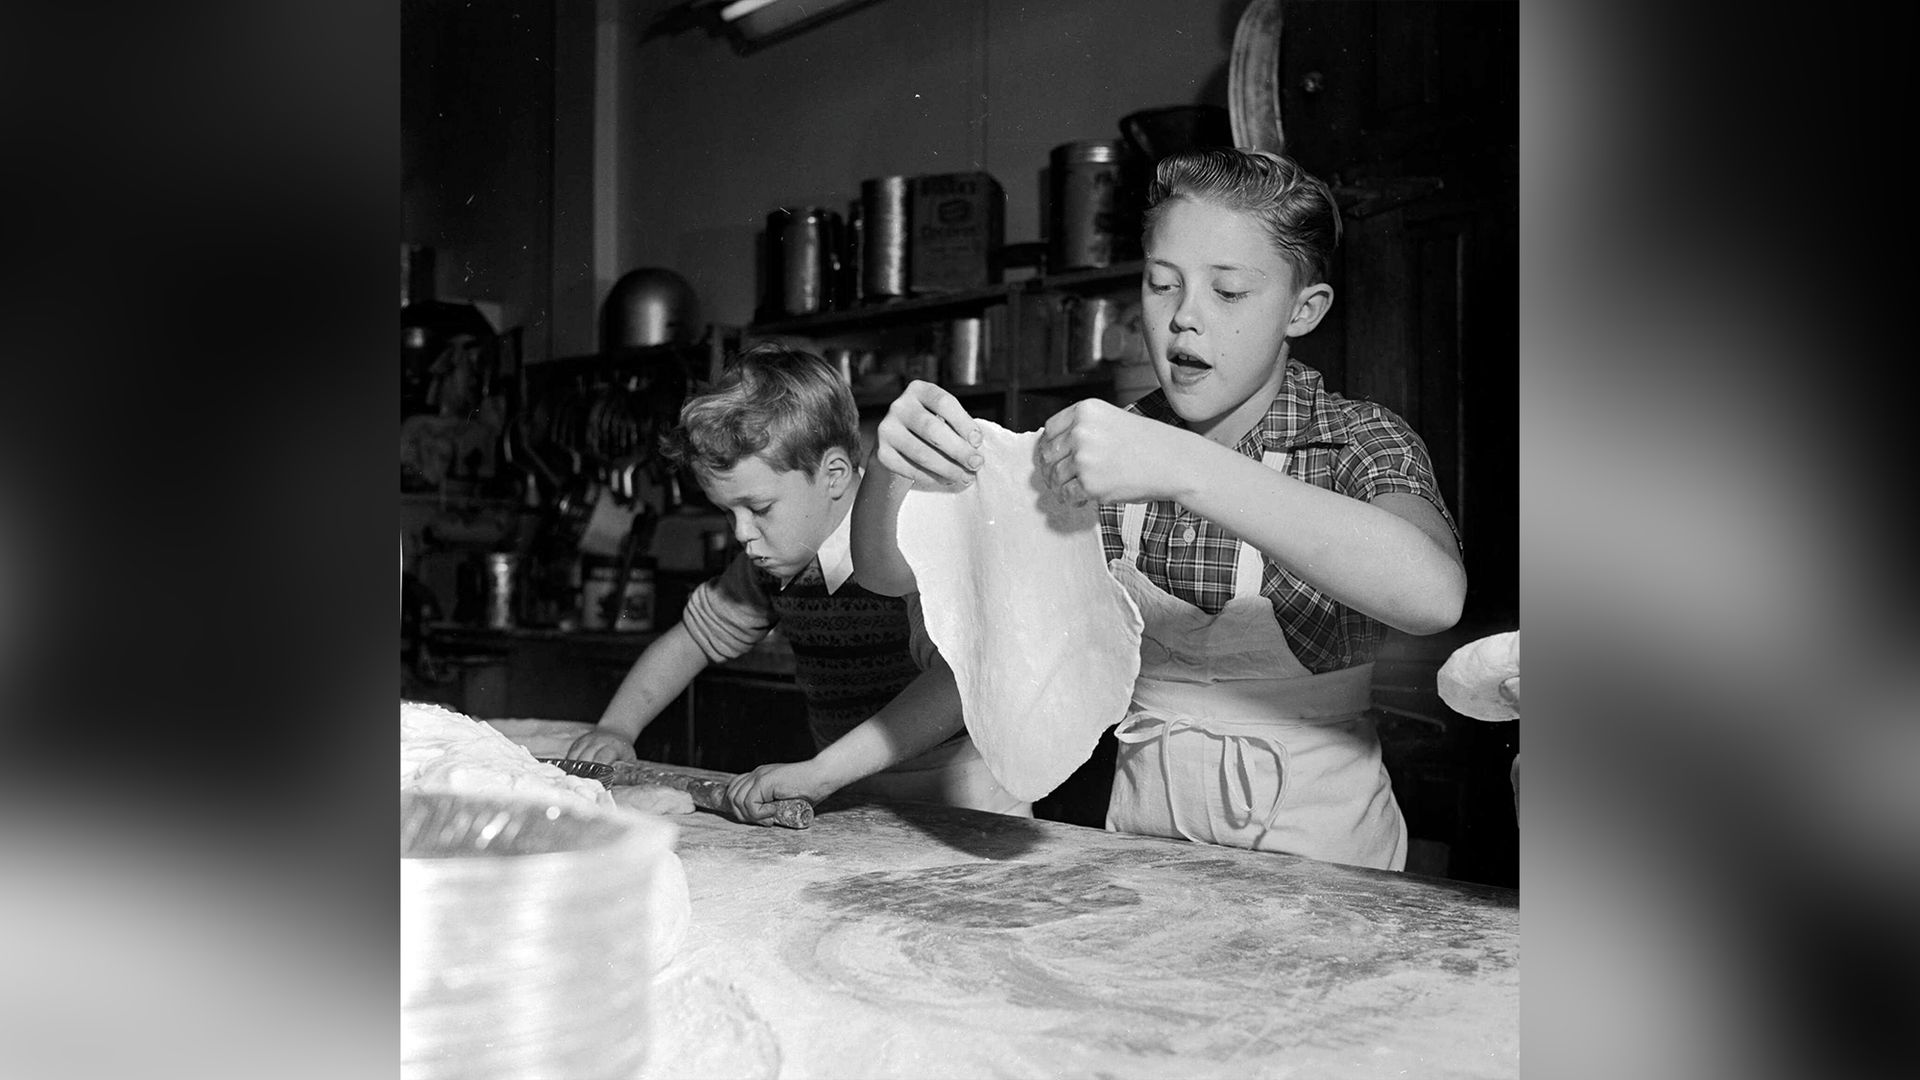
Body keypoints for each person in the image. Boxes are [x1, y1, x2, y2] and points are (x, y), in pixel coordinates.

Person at [854, 148, 1465, 869]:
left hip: (1328, 861)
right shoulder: (1103, 447)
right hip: (1145, 852)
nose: (1184, 320)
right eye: (1161, 284)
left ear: (1304, 310)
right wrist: (890, 472)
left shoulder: (1355, 441)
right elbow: (887, 575)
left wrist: (1182, 466)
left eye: (1229, 292)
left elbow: (1433, 596)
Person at [566, 343, 1031, 822]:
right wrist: (617, 728)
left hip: (963, 790)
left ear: (832, 475)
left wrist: (823, 772)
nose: (742, 533)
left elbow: (954, 686)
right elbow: (691, 642)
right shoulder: (773, 562)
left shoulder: (909, 535)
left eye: (759, 509)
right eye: (729, 513)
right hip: (845, 784)